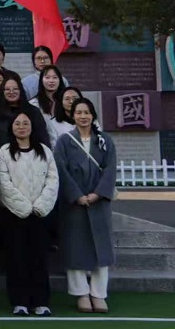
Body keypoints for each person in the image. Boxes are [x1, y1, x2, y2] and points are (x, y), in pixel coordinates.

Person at [54, 98, 117, 314]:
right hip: (74, 204)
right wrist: (77, 195)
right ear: (72, 116)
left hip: (99, 202)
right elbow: (61, 170)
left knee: (101, 247)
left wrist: (98, 194)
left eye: (87, 112)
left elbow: (110, 169)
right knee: (75, 247)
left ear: (93, 115)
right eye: (79, 112)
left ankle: (99, 294)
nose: (83, 116)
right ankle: (81, 293)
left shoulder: (105, 140)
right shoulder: (65, 141)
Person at [0, 109, 59, 317]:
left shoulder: (44, 151)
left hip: (40, 214)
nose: (21, 127)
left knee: (39, 258)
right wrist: (23, 207)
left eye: (25, 123)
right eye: (17, 123)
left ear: (32, 127)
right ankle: (19, 302)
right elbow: (3, 183)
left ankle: (41, 302)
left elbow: (52, 180)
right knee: (16, 259)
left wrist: (40, 205)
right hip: (14, 215)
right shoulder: (4, 152)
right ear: (11, 127)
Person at [0, 76, 49, 152]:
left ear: (21, 91)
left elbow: (43, 138)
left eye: (15, 89)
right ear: (2, 92)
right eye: (7, 89)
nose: (11, 92)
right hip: (2, 156)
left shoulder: (33, 111)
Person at [30, 65, 65, 145]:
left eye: (55, 77)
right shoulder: (34, 104)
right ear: (41, 80)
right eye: (47, 77)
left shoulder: (66, 102)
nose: (51, 81)